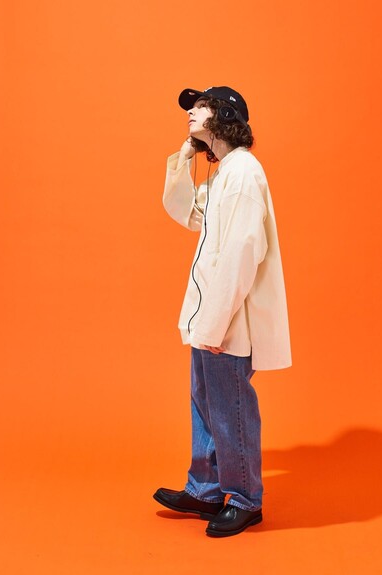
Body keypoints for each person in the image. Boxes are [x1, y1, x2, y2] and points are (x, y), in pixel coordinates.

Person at [153, 86, 292, 537]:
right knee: (206, 401)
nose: (190, 112)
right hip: (211, 315)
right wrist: (185, 157)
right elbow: (187, 214)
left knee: (229, 406)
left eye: (201, 106)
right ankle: (207, 489)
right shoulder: (223, 174)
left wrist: (214, 324)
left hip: (227, 319)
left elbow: (242, 252)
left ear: (225, 116)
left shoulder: (244, 173)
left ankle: (245, 499)